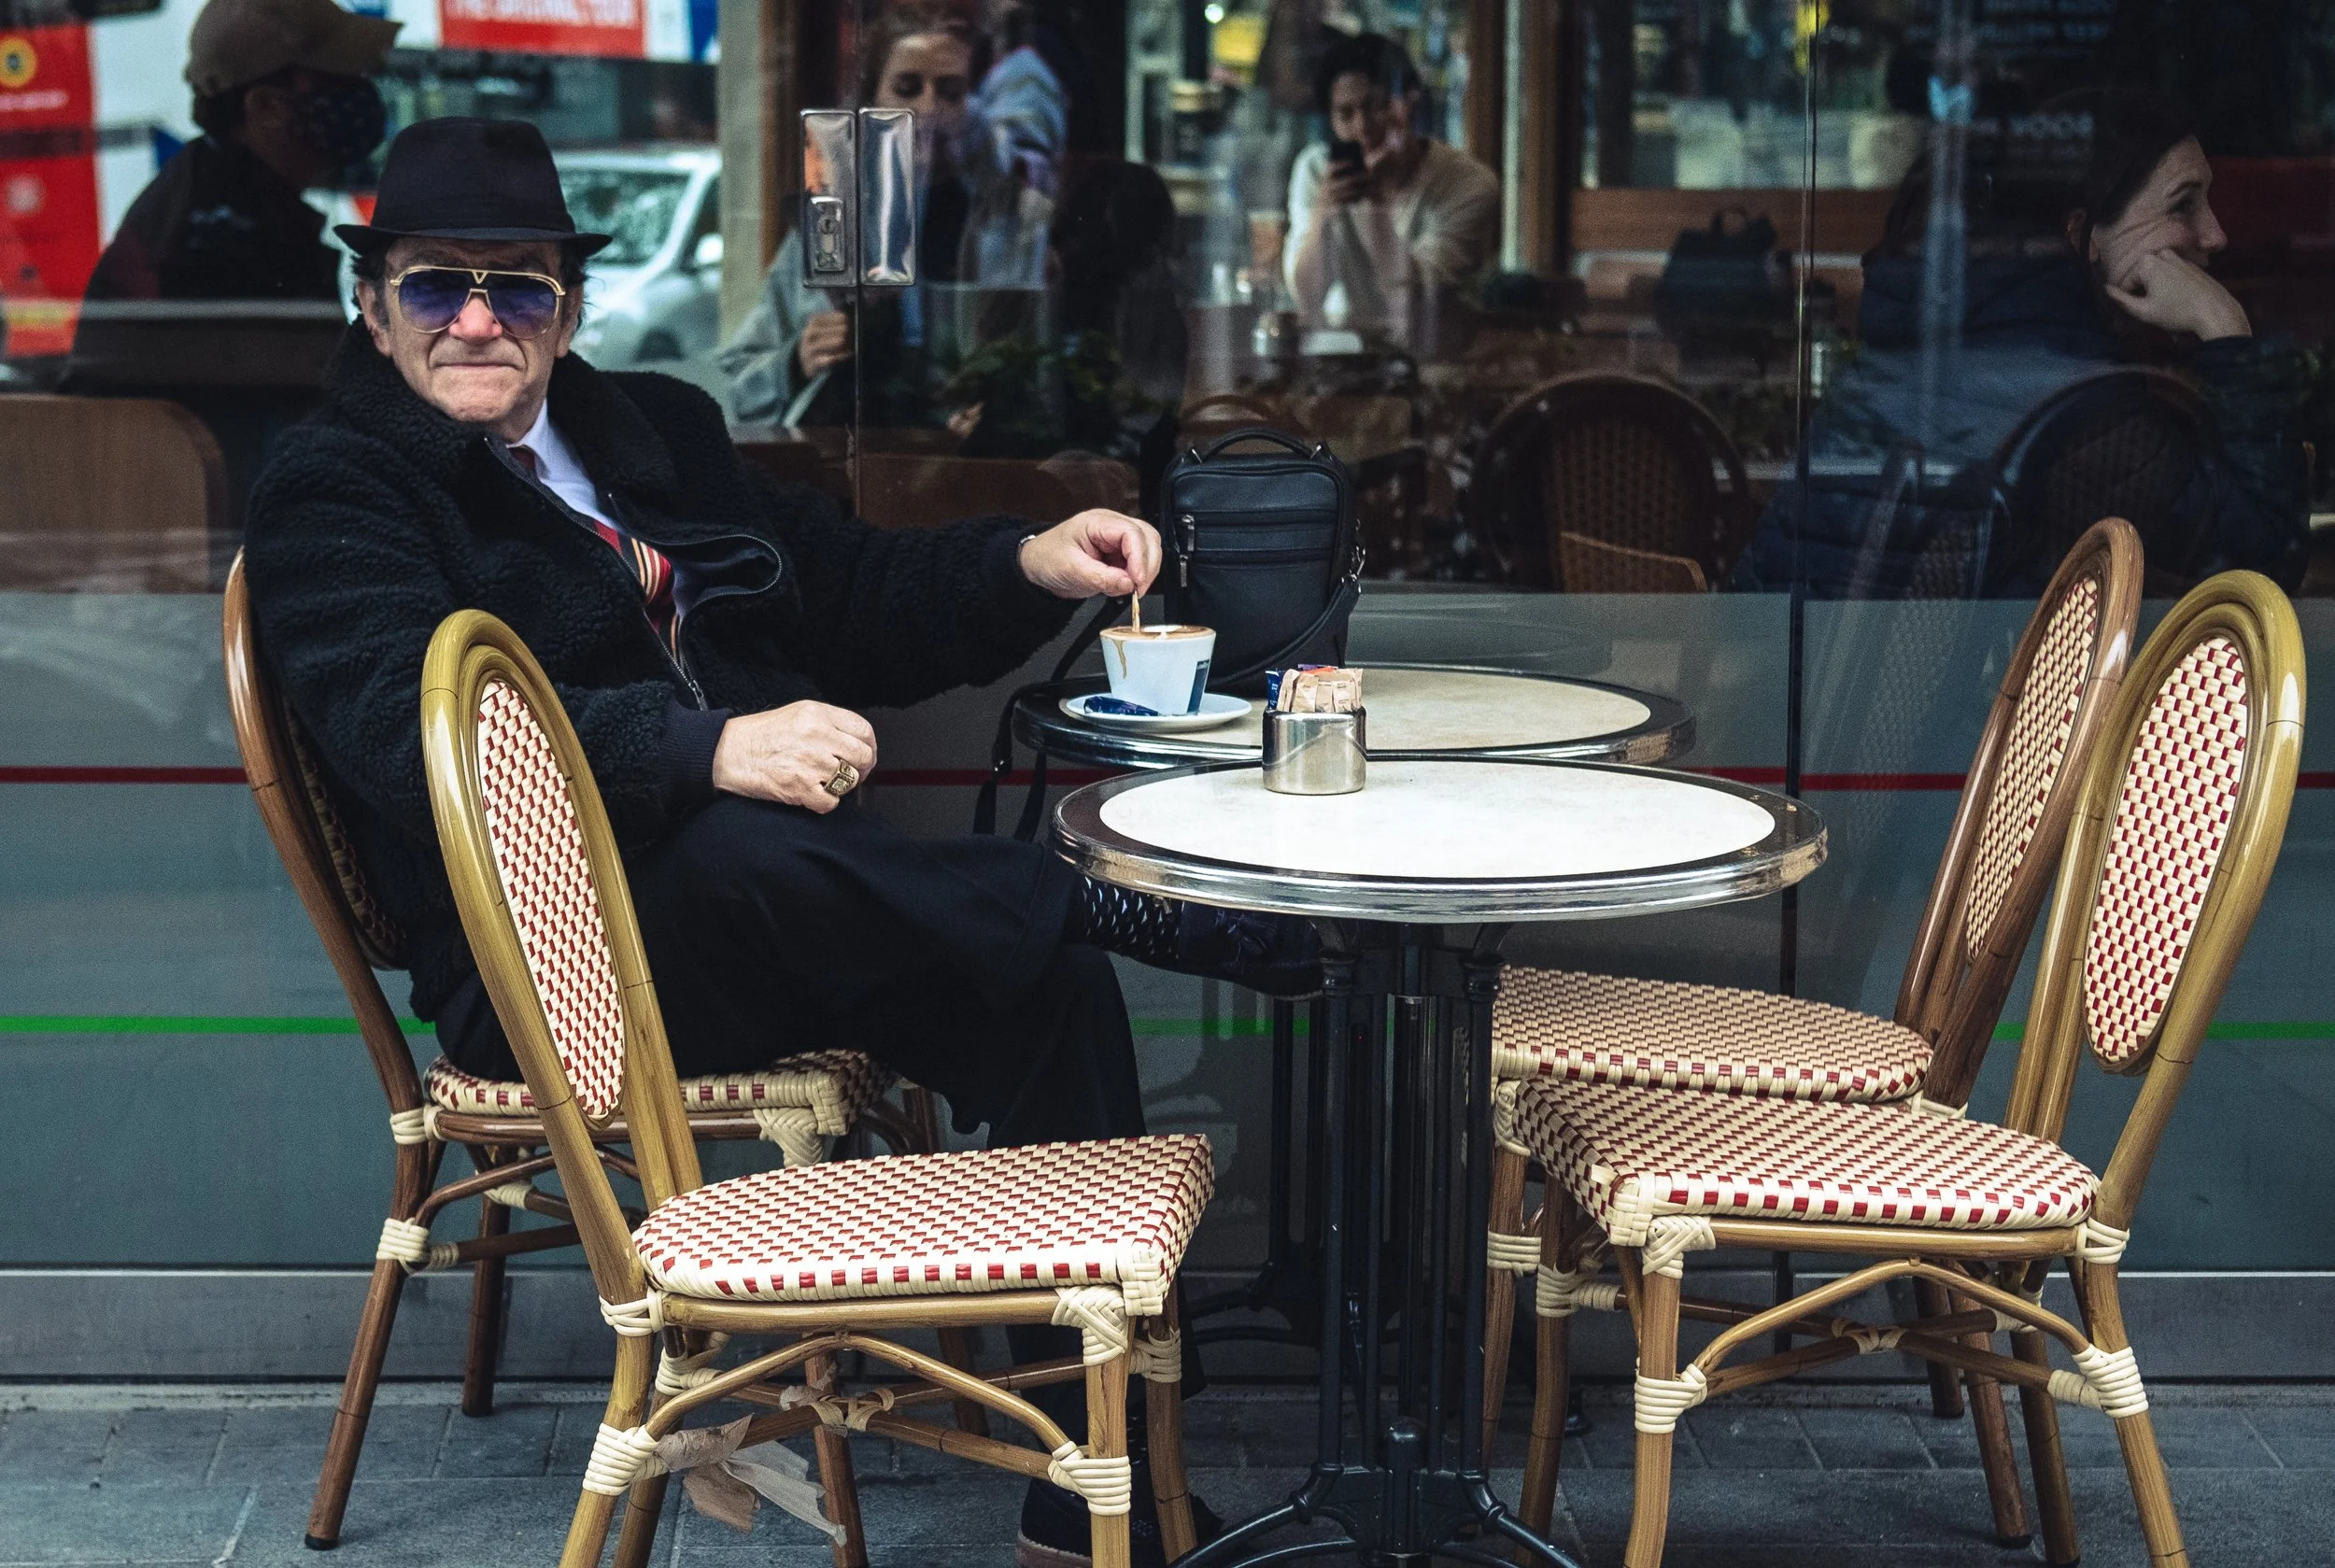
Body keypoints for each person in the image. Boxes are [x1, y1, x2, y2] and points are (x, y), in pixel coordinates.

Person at [243, 118, 1283, 1565]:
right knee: (770, 859)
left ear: (570, 306)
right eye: (437, 286)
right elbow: (407, 730)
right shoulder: (336, 484)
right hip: (546, 963)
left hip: (778, 907)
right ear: (374, 303)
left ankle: (1091, 1471)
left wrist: (1028, 557)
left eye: (519, 286)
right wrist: (711, 746)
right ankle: (1118, 898)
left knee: (1033, 978)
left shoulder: (647, 429)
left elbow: (844, 586)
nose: (480, 319)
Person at [1735, 88, 2312, 596]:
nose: (2217, 233)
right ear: (2080, 234)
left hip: (1789, 702)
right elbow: (2257, 572)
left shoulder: (1922, 356)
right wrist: (2225, 328)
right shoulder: (2072, 405)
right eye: (2183, 204)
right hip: (1934, 720)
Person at [66, 0, 397, 578]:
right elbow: (293, 386)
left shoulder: (230, 199)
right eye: (337, 82)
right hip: (219, 555)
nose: (360, 94)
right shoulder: (218, 228)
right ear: (265, 107)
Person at [720, 1, 1051, 433]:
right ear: (872, 96)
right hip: (852, 468)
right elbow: (737, 383)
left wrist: (1000, 407)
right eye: (907, 87)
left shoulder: (1010, 221)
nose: (929, 109)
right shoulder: (834, 223)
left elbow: (1049, 370)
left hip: (975, 470)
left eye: (950, 92)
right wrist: (797, 361)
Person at [1281, 31, 1499, 342]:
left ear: (1409, 102)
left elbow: (1413, 301)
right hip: (1341, 353)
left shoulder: (1469, 184)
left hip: (1436, 355)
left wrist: (1376, 204)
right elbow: (1306, 296)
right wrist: (1323, 214)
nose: (1362, 127)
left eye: (1376, 106)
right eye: (1345, 114)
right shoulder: (1317, 170)